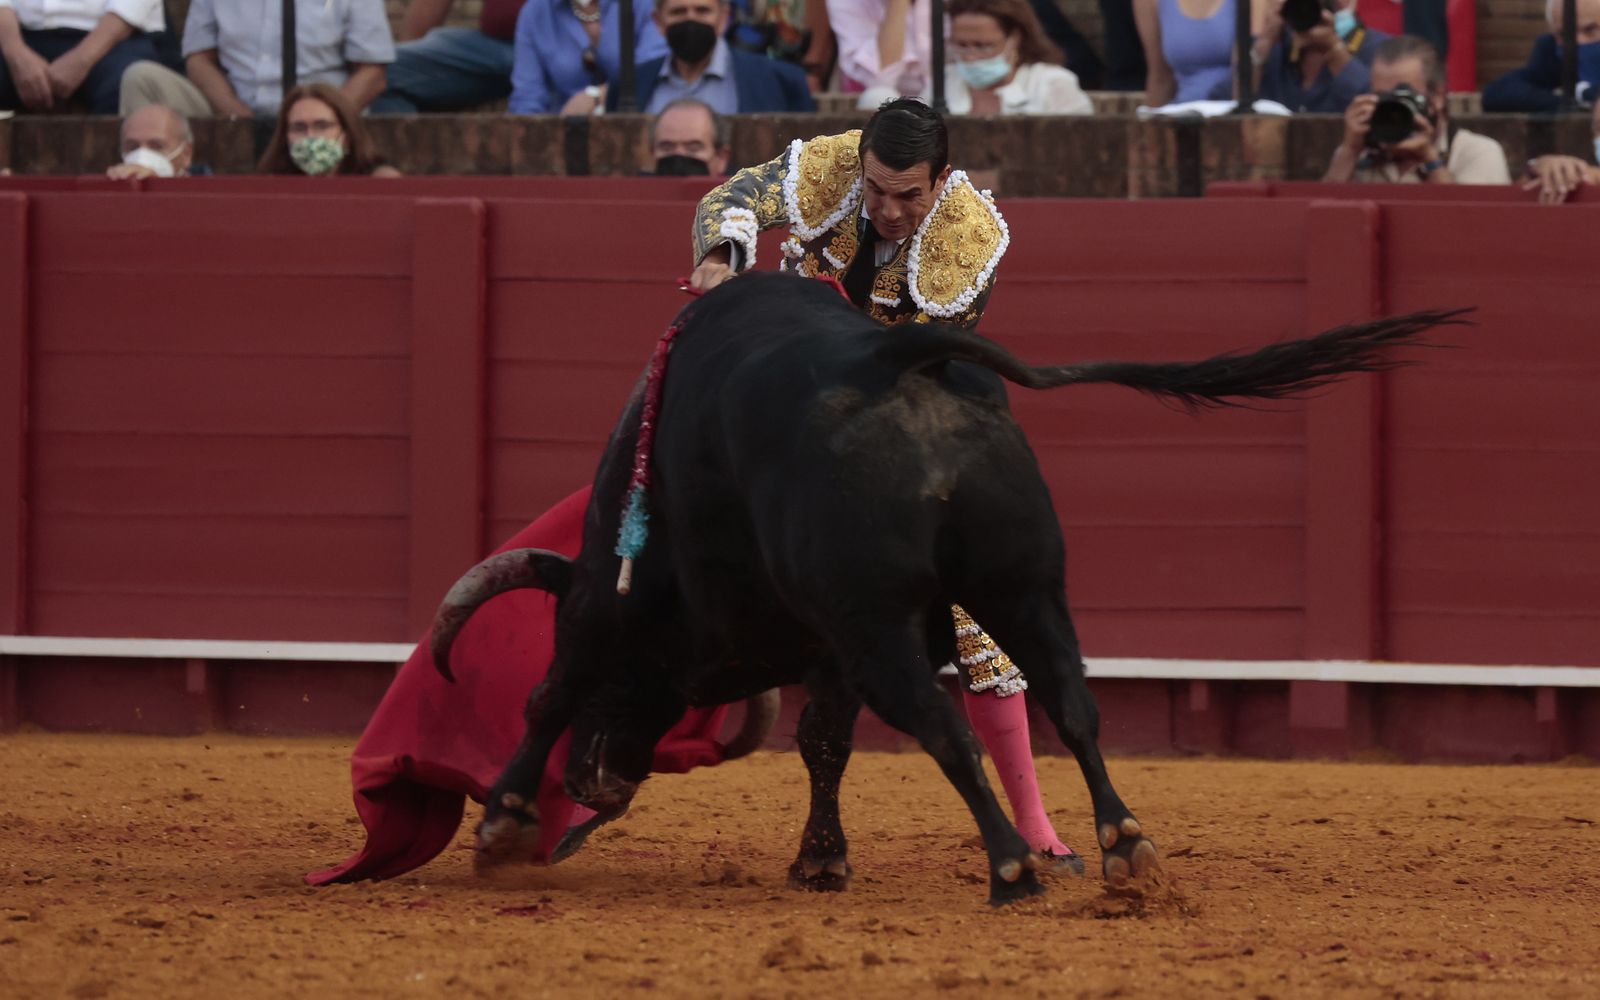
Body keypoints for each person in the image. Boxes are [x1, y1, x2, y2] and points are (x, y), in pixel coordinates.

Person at [687, 98, 1083, 870]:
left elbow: (923, 360)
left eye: (910, 194)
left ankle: (1031, 822)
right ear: (860, 165)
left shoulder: (969, 238)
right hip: (784, 400)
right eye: (875, 190)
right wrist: (723, 260)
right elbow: (729, 197)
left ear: (943, 181)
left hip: (892, 415)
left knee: (976, 615)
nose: (889, 209)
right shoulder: (829, 166)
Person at [117, 0, 395, 118]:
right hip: (232, 112)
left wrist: (324, 119)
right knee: (141, 79)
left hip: (322, 119)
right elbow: (199, 60)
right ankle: (151, 196)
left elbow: (372, 73)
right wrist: (236, 116)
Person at [1322, 34, 1509, 185]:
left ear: (1437, 97)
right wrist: (1349, 152)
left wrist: (1430, 160)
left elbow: (1471, 225)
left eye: (1402, 96)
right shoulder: (1358, 153)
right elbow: (1321, 224)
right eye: (1381, 97)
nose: (1390, 108)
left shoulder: (1477, 152)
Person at [857, 0, 1093, 115]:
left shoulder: (1053, 83)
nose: (971, 56)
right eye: (962, 45)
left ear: (1015, 38)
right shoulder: (943, 84)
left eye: (983, 46)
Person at [607, 0, 814, 113]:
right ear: (658, 21)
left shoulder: (781, 81)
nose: (691, 19)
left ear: (724, 18)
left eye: (702, 10)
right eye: (679, 12)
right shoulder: (629, 85)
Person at [1211, 0, 1389, 112]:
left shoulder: (1380, 50)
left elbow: (1384, 113)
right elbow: (1223, 104)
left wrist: (1335, 49)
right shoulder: (1272, 48)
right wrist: (1264, 44)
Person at [0, 0, 162, 114]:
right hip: (16, 35)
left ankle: (112, 163)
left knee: (128, 85)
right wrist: (15, 51)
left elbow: (132, 5)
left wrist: (82, 59)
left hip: (114, 39)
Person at [508, 0, 667, 115]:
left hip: (636, 124)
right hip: (564, 130)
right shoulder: (535, 11)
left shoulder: (643, 4)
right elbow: (527, 97)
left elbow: (651, 65)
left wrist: (597, 96)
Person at [369, 0, 523, 113]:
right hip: (493, 46)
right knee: (383, 74)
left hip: (542, 48)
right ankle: (408, 156)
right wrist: (415, 63)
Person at [257, 82, 402, 176]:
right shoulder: (271, 182)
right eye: (299, 127)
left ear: (348, 133)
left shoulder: (380, 180)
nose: (310, 135)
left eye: (322, 126)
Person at [1483, 0, 1600, 112]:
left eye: (1590, 30)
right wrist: (1569, 104)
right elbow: (1498, 92)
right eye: (1564, 34)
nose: (1578, 41)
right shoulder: (1552, 50)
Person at [1133, 0, 1242, 106]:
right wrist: (1148, 122)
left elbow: (1244, 75)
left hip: (1235, 113)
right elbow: (1160, 79)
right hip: (1183, 114)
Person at [826, 0, 939, 95]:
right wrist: (899, 3)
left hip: (945, 105)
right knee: (878, 96)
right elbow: (881, 84)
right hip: (887, 112)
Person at [106, 101, 201, 178]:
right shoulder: (111, 192)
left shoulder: (209, 194)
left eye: (156, 147)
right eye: (132, 147)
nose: (142, 155)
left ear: (186, 154)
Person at [649, 95, 731, 174]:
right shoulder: (637, 187)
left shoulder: (738, 187)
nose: (679, 155)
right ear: (652, 155)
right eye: (667, 148)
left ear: (721, 158)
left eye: (693, 149)